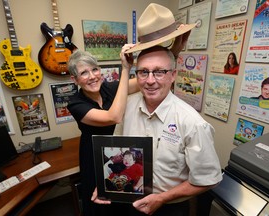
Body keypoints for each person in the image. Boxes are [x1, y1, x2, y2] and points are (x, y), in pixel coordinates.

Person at [93, 3, 222, 216]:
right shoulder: (128, 107)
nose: (150, 81)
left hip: (168, 207)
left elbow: (209, 179)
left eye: (160, 72)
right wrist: (107, 181)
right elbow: (116, 148)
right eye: (143, 72)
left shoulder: (192, 123)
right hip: (128, 199)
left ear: (173, 76)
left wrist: (161, 198)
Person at [67, 46, 138, 216]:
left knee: (122, 193)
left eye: (95, 69)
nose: (92, 76)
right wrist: (126, 69)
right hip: (94, 156)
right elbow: (113, 117)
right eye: (84, 73)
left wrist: (173, 49)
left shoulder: (108, 88)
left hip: (118, 152)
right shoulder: (75, 104)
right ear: (75, 79)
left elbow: (142, 82)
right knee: (100, 205)